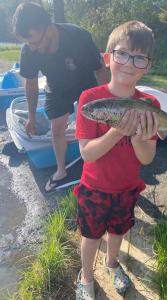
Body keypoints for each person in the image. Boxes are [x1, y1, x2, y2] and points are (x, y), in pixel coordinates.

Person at [74, 20, 160, 299]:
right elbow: (87, 153)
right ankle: (86, 275)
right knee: (90, 237)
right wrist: (116, 132)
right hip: (93, 188)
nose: (129, 63)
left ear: (147, 65)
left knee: (118, 232)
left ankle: (112, 264)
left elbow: (147, 159)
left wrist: (137, 137)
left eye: (139, 57)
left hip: (127, 188)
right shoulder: (90, 99)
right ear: (108, 58)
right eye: (122, 53)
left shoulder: (151, 106)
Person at [12, 2, 108, 192]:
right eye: (27, 43)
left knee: (93, 123)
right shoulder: (29, 51)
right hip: (56, 86)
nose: (31, 48)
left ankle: (97, 160)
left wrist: (104, 103)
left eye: (33, 42)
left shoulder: (78, 36)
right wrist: (31, 117)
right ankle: (61, 170)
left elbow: (100, 70)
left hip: (85, 84)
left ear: (47, 28)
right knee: (57, 128)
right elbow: (31, 85)